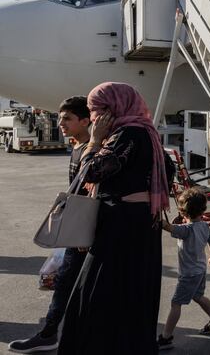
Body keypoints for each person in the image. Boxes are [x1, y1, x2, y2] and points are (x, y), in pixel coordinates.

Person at [57, 82, 169, 354]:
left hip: (121, 227)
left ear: (111, 109)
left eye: (96, 111)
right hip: (139, 224)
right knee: (130, 294)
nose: (93, 118)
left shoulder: (127, 134)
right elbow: (170, 170)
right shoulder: (147, 132)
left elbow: (92, 173)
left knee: (98, 295)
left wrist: (94, 142)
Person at [9, 97, 91, 353]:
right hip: (74, 227)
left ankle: (50, 334)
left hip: (82, 230)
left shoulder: (92, 149)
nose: (61, 123)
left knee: (68, 283)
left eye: (67, 118)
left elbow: (91, 196)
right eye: (61, 117)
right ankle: (55, 332)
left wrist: (80, 234)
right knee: (68, 283)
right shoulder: (77, 147)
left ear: (85, 121)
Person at [157, 187, 210, 350]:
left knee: (175, 304)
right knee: (198, 296)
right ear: (203, 209)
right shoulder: (204, 226)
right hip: (200, 271)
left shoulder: (185, 230)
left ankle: (166, 337)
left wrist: (157, 213)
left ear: (183, 212)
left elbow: (167, 227)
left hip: (188, 275)